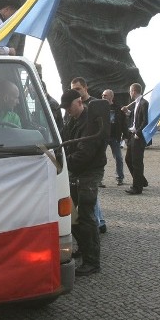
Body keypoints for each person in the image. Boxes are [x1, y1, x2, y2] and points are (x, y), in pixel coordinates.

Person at [60, 89, 106, 276]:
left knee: (86, 217)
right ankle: (84, 249)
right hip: (77, 170)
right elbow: (66, 142)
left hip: (89, 172)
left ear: (79, 102)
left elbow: (84, 153)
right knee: (71, 215)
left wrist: (63, 161)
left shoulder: (90, 121)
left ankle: (92, 261)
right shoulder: (73, 120)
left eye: (69, 107)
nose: (67, 111)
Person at [70, 77, 106, 231]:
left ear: (85, 88)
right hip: (79, 157)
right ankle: (100, 221)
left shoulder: (95, 106)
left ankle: (98, 223)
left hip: (91, 158)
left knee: (89, 196)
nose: (75, 92)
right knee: (89, 196)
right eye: (73, 89)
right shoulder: (73, 107)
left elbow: (100, 134)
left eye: (78, 89)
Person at [123, 83, 150, 195]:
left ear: (133, 91)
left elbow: (145, 121)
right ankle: (141, 181)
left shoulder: (144, 103)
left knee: (137, 162)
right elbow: (135, 118)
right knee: (128, 159)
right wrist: (127, 112)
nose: (130, 93)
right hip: (132, 135)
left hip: (138, 137)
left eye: (130, 91)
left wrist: (138, 133)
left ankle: (137, 187)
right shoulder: (137, 103)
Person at [101, 89, 127, 186]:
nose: (103, 97)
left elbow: (123, 123)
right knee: (100, 158)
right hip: (103, 137)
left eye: (105, 95)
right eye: (102, 95)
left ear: (111, 97)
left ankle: (120, 177)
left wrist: (125, 135)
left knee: (119, 158)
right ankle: (99, 179)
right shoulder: (99, 108)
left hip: (114, 137)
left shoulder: (118, 109)